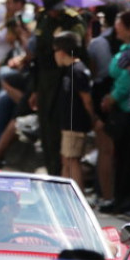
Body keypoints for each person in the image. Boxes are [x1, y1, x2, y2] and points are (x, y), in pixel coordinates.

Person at [28, 0, 86, 176]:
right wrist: (34, 89)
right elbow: (38, 57)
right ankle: (51, 170)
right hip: (44, 80)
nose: (53, 12)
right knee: (45, 129)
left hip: (63, 80)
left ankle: (59, 175)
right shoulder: (43, 18)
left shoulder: (73, 20)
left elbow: (76, 50)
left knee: (58, 131)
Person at [53, 31, 96, 191]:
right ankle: (64, 193)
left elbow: (87, 99)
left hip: (75, 123)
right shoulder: (68, 70)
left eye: (55, 51)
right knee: (66, 159)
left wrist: (92, 118)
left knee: (72, 160)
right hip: (67, 122)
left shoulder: (78, 70)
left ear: (62, 52)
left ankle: (77, 195)